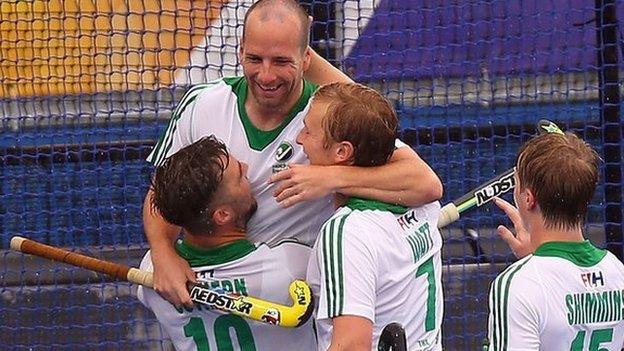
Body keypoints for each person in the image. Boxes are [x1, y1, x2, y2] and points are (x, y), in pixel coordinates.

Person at [144, 0, 443, 308]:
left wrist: (329, 177)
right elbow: (163, 191)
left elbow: (425, 184)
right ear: (240, 50)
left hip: (300, 307)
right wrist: (162, 251)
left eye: (282, 61)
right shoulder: (203, 104)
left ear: (306, 58)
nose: (266, 75)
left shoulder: (331, 118)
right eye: (255, 59)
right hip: (216, 297)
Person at [137, 135, 316, 350]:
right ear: (223, 215)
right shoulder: (293, 265)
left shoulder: (150, 275)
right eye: (240, 175)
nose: (248, 167)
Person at [301, 82, 444, 351]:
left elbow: (352, 346)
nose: (299, 138)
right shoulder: (423, 205)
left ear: (342, 152)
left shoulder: (346, 232)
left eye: (308, 131)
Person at [486, 132, 624, 350]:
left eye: (516, 182)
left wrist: (532, 266)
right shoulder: (617, 271)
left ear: (529, 198)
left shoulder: (518, 284)